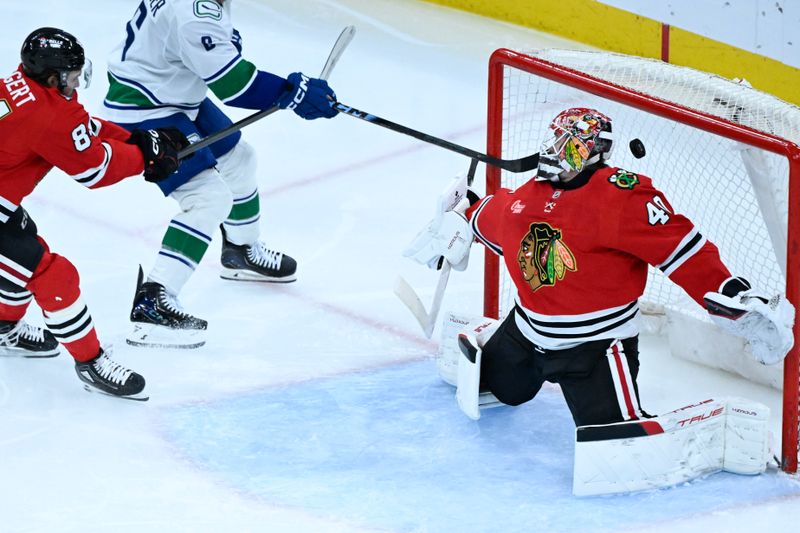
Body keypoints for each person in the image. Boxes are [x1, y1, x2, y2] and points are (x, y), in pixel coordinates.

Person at [404, 108, 795, 492]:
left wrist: (729, 292)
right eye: (555, 140)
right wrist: (461, 213)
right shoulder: (526, 197)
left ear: (595, 152)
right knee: (503, 391)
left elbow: (681, 248)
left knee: (617, 446)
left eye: (570, 145)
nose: (557, 152)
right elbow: (491, 216)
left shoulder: (624, 197)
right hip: (525, 334)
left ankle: (715, 430)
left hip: (596, 347)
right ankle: (489, 342)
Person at [102, 0, 339, 349]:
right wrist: (292, 93)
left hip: (175, 94)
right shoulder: (194, 12)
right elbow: (234, 85)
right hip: (145, 108)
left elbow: (201, 50)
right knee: (208, 198)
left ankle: (240, 251)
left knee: (239, 159)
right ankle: (153, 303)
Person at [0, 27, 190, 400]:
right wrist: (145, 159)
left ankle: (4, 327)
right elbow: (93, 169)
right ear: (53, 77)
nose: (76, 81)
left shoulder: (21, 86)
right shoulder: (45, 114)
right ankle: (91, 362)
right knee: (52, 274)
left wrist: (135, 138)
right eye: (71, 74)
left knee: (24, 250)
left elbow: (81, 128)